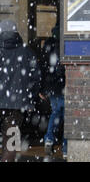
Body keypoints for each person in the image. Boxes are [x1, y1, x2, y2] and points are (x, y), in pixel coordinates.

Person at [0, 19, 42, 162]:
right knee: (10, 145)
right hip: (16, 108)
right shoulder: (27, 52)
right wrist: (30, 100)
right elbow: (35, 79)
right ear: (16, 32)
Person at [39, 23, 67, 158]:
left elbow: (42, 67)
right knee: (68, 116)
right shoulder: (64, 44)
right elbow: (60, 68)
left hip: (51, 87)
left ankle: (49, 140)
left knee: (56, 113)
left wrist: (42, 88)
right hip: (63, 86)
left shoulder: (47, 45)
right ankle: (66, 147)